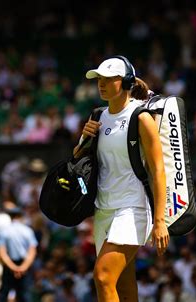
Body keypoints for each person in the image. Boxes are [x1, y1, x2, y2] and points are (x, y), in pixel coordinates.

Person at [75, 55, 169, 301]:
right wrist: (84, 139)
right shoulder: (97, 116)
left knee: (103, 277)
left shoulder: (141, 118)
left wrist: (160, 220)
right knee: (124, 287)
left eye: (109, 79)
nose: (101, 84)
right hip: (103, 209)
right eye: (99, 79)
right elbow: (77, 159)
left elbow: (158, 170)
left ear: (125, 81)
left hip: (133, 208)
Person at [0, 207, 38, 302]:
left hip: (9, 265)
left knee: (4, 293)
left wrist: (13, 267)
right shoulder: (28, 230)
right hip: (24, 265)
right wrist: (23, 267)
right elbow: (32, 251)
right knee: (24, 294)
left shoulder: (4, 231)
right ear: (20, 217)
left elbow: (2, 252)